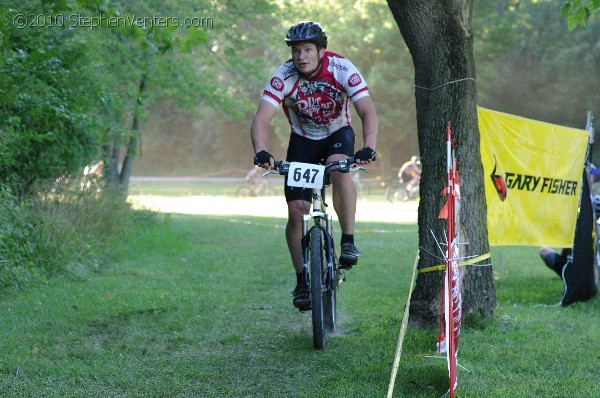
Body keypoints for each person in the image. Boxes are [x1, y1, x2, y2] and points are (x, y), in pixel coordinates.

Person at [250, 21, 378, 310]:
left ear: (322, 51)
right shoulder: (283, 76)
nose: (301, 56)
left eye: (308, 49)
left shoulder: (342, 69)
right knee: (296, 210)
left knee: (339, 169)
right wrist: (261, 151)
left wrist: (369, 146)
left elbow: (368, 112)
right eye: (296, 51)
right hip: (304, 140)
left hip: (337, 134)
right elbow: (260, 120)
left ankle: (348, 240)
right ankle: (302, 281)